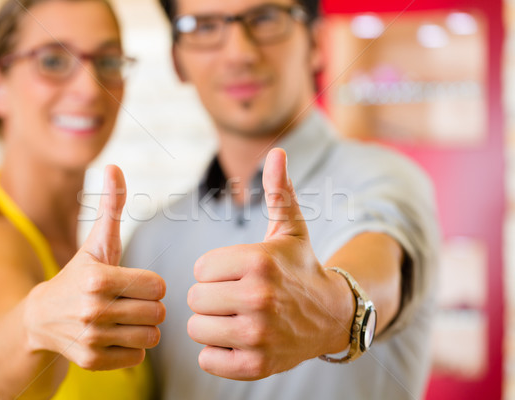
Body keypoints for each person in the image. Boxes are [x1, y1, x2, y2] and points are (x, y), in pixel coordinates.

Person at [122, 0, 439, 399]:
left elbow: (381, 260)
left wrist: (334, 308)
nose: (239, 52)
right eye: (203, 26)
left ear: (316, 43)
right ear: (178, 61)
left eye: (266, 17)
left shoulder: (385, 179)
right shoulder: (147, 241)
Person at [0, 0, 166, 399]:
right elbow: (3, 357)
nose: (90, 87)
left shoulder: (88, 254)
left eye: (108, 62)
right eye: (53, 61)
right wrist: (35, 323)